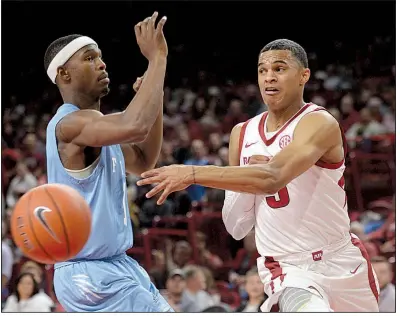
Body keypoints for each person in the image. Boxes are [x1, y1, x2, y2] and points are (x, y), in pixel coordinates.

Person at [137, 39, 380, 312]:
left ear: (304, 76)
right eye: (262, 70)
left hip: (342, 259)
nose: (269, 77)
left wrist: (193, 173)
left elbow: (273, 177)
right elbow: (236, 226)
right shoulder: (242, 134)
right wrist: (247, 180)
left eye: (279, 68)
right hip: (287, 269)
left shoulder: (318, 122)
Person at [44, 12, 172, 312]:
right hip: (88, 273)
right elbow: (136, 124)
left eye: (100, 57)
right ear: (64, 74)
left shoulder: (97, 130)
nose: (102, 64)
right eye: (90, 58)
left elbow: (143, 161)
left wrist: (157, 98)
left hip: (118, 265)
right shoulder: (69, 125)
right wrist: (158, 58)